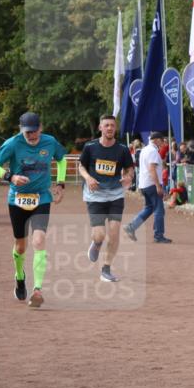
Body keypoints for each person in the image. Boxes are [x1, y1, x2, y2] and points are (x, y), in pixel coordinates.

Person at [0, 111, 67, 307]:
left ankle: (37, 290)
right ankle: (19, 277)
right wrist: (11, 177)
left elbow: (61, 159)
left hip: (42, 197)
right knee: (20, 246)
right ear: (21, 130)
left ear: (40, 128)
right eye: (28, 133)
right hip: (17, 199)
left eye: (34, 132)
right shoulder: (13, 143)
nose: (32, 136)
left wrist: (60, 183)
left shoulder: (50, 142)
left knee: (39, 239)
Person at [78, 114, 135, 283]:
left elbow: (130, 169)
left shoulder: (122, 149)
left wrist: (128, 178)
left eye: (112, 125)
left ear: (115, 128)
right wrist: (88, 178)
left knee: (115, 233)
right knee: (100, 235)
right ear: (100, 128)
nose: (110, 128)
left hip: (115, 195)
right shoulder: (90, 147)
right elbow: (81, 166)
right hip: (95, 196)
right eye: (106, 125)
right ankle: (96, 244)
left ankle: (106, 269)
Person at [124, 132, 172, 244]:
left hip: (144, 184)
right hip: (151, 184)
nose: (163, 143)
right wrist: (158, 186)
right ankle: (158, 235)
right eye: (162, 140)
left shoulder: (145, 149)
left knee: (149, 208)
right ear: (157, 140)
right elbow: (152, 169)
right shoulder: (153, 151)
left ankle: (132, 226)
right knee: (159, 210)